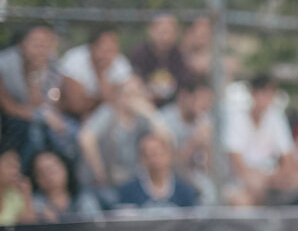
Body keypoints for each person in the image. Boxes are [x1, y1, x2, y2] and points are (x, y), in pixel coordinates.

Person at [76, 75, 170, 206]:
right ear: (119, 96)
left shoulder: (143, 119)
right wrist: (99, 171)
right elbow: (85, 138)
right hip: (103, 186)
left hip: (132, 185)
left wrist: (150, 112)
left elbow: (167, 141)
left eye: (137, 95)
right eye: (129, 94)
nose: (132, 100)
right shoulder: (108, 113)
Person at [222, 74, 298, 206]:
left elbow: (288, 159)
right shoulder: (237, 118)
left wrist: (274, 178)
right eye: (263, 93)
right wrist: (262, 180)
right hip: (240, 183)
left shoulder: (276, 117)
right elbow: (238, 166)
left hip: (270, 179)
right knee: (242, 201)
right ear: (254, 94)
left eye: (270, 94)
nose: (267, 99)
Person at [0, 23, 73, 166]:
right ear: (22, 43)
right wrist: (42, 116)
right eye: (37, 43)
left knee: (69, 132)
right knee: (33, 132)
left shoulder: (52, 65)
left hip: (31, 116)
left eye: (46, 45)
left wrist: (35, 74)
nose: (41, 49)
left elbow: (45, 102)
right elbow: (7, 105)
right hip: (9, 118)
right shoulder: (5, 63)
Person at [159, 75, 216, 204]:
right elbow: (171, 165)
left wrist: (207, 146)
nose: (204, 105)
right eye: (200, 99)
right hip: (173, 181)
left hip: (198, 179)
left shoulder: (205, 120)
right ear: (184, 96)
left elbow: (211, 168)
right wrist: (194, 141)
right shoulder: (164, 121)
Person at [58, 27, 133, 122]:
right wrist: (103, 100)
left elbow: (121, 102)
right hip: (70, 117)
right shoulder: (74, 59)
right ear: (92, 47)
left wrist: (102, 75)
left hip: (104, 117)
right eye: (105, 48)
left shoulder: (120, 62)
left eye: (112, 49)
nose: (108, 54)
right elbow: (76, 105)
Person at [113, 131, 200, 209]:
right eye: (147, 155)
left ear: (169, 155)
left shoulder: (184, 192)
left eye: (156, 154)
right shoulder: (128, 192)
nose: (153, 160)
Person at [128, 12, 190, 107]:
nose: (165, 38)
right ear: (151, 31)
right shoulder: (140, 54)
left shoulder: (179, 55)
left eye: (169, 32)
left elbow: (184, 85)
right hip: (144, 103)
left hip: (173, 107)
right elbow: (135, 81)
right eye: (161, 32)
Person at [29, 149, 103, 222]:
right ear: (35, 178)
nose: (47, 176)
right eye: (41, 172)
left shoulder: (84, 199)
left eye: (51, 170)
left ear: (65, 168)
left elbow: (96, 225)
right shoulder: (34, 204)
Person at [0, 148, 35, 226]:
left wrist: (27, 196)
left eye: (17, 167)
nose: (15, 172)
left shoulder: (15, 194)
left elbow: (28, 226)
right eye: (10, 166)